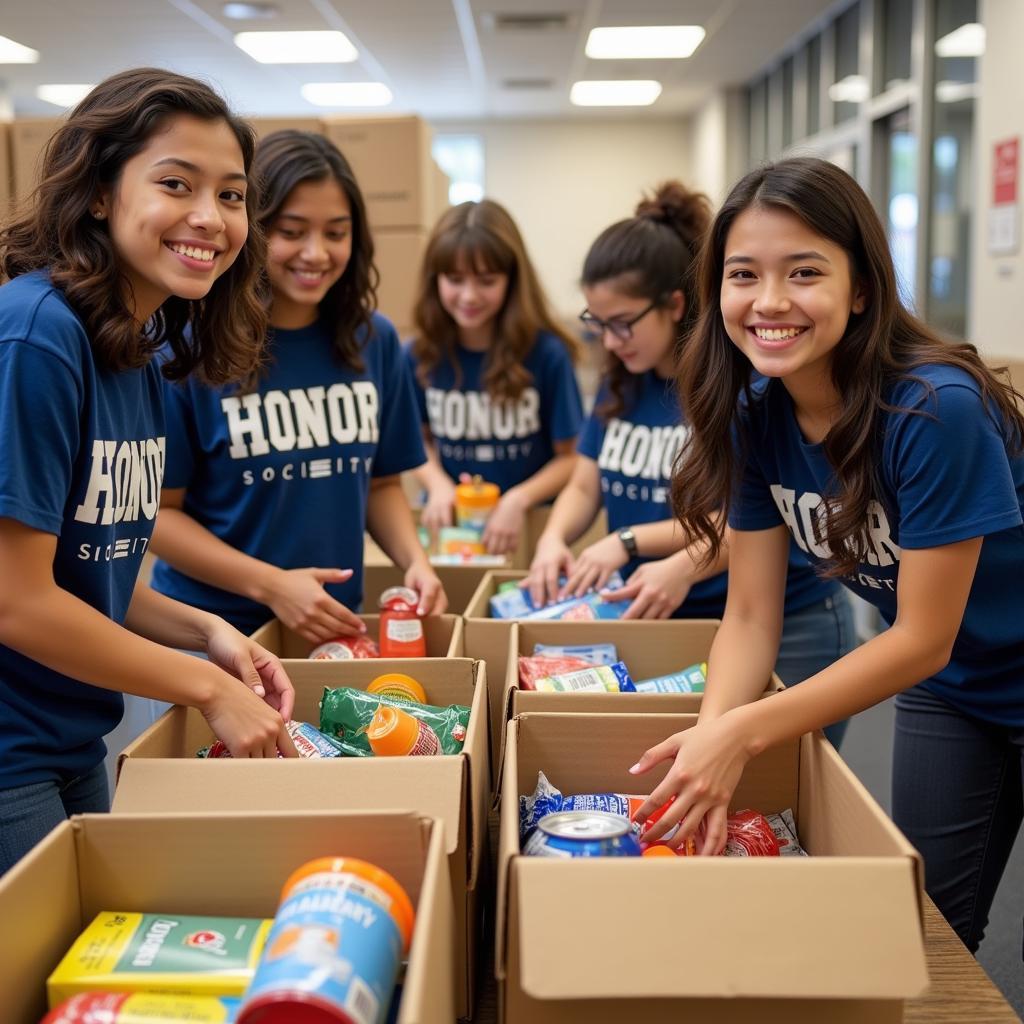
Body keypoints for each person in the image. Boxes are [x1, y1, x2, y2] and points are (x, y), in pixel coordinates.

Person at [630, 157, 1024, 957]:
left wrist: (742, 736)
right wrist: (712, 742)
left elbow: (921, 635)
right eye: (744, 275)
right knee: (925, 934)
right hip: (956, 694)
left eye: (804, 272)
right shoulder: (755, 411)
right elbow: (748, 613)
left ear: (861, 287)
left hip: (944, 657)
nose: (770, 301)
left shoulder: (933, 408)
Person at [0, 69, 299, 875]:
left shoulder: (142, 345)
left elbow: (94, 568)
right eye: (176, 184)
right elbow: (17, 600)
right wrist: (205, 690)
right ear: (101, 192)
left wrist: (209, 637)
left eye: (233, 196)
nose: (211, 217)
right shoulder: (35, 336)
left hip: (70, 733)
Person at [526, 182, 855, 735]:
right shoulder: (620, 386)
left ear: (675, 305)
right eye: (596, 323)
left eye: (622, 323)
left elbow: (743, 528)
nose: (609, 341)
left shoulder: (739, 389)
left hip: (781, 617)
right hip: (667, 614)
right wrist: (554, 538)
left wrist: (629, 542)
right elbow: (584, 487)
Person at [148, 131, 445, 644]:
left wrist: (414, 561)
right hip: (211, 635)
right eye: (291, 231)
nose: (316, 253)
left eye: (336, 232)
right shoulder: (186, 347)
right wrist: (272, 587)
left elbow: (381, 484)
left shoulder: (373, 340)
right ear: (252, 230)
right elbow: (157, 517)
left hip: (328, 628)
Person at [406, 199, 584, 555]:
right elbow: (417, 441)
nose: (469, 296)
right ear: (434, 279)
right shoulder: (416, 355)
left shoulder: (547, 355)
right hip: (454, 532)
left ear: (512, 281)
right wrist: (437, 484)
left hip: (528, 527)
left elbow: (572, 458)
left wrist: (519, 499)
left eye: (486, 281)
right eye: (454, 280)